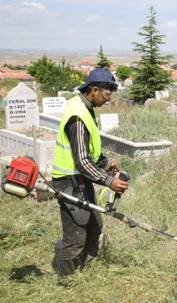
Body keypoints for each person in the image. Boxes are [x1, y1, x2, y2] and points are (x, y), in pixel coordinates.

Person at [51, 68, 128, 281]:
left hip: (81, 180)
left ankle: (83, 269)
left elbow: (88, 150)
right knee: (75, 235)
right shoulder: (77, 117)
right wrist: (109, 181)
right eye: (106, 94)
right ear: (94, 90)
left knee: (94, 226)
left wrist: (105, 162)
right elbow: (83, 161)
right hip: (69, 182)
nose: (107, 100)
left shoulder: (85, 107)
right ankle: (65, 278)